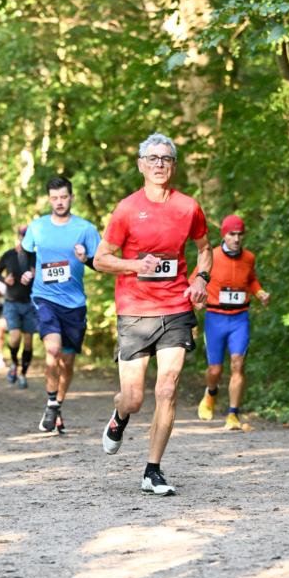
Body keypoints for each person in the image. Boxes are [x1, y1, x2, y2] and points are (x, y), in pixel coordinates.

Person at [93, 132, 212, 496]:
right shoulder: (127, 209)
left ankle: (152, 470)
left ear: (173, 165)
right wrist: (135, 264)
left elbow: (205, 249)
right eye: (153, 158)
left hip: (176, 307)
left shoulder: (188, 207)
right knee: (134, 397)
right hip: (135, 310)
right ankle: (120, 416)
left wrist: (201, 279)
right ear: (141, 165)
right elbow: (100, 259)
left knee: (167, 388)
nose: (159, 164)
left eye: (166, 159)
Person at [21, 177, 100, 432]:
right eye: (54, 198)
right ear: (49, 199)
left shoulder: (85, 229)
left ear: (71, 198)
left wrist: (85, 258)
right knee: (53, 350)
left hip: (74, 303)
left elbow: (99, 263)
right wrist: (27, 272)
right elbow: (26, 252)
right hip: (44, 297)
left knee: (67, 361)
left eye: (64, 197)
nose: (59, 202)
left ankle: (56, 406)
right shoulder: (37, 227)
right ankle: (52, 402)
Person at [193, 214, 270, 430]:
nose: (236, 239)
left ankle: (233, 414)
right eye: (231, 234)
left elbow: (251, 280)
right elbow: (194, 281)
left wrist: (260, 293)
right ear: (223, 235)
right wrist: (196, 299)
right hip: (215, 317)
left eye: (239, 234)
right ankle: (211, 393)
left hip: (239, 318)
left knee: (238, 363)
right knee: (215, 370)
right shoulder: (212, 256)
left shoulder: (249, 258)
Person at [0, 225, 38, 390]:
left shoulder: (34, 256)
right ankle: (13, 364)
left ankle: (23, 374)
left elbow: (42, 275)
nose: (25, 238)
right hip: (12, 302)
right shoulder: (8, 255)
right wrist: (5, 280)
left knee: (28, 342)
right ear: (19, 236)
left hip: (30, 303)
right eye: (23, 235)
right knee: (14, 337)